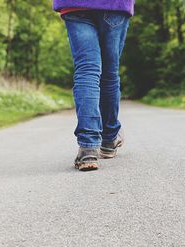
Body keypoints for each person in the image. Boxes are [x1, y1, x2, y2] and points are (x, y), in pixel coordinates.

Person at [52, 0, 135, 171]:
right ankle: (109, 138)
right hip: (114, 6)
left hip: (75, 5)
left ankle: (88, 148)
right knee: (109, 74)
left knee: (87, 70)